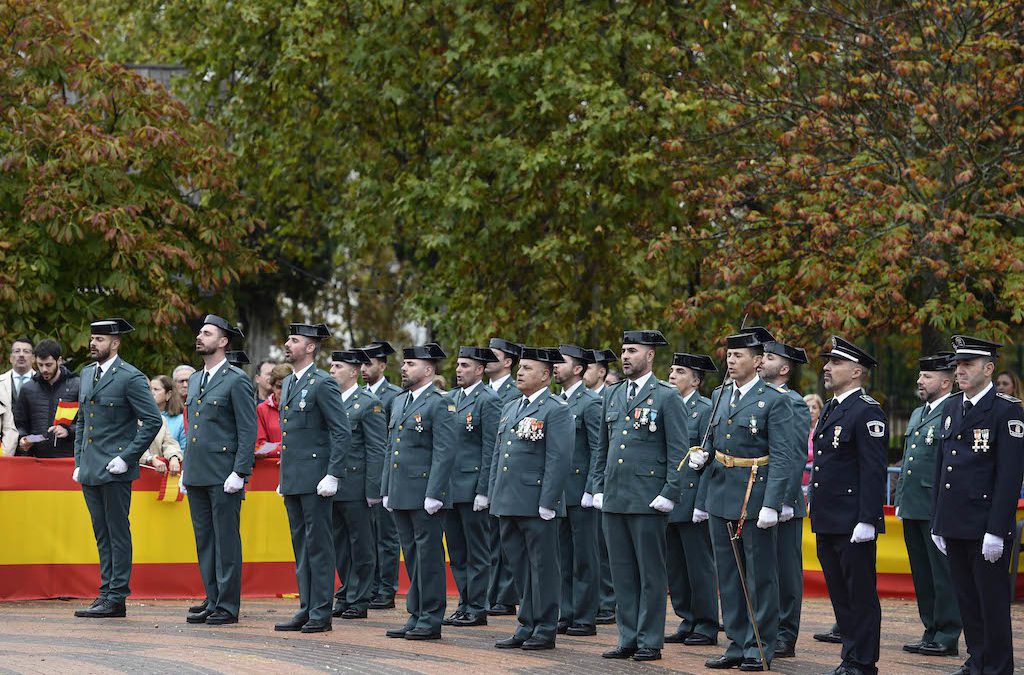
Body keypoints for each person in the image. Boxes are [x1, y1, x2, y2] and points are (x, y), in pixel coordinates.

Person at [688, 328, 798, 671]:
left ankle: (759, 646)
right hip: (721, 492)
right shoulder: (721, 395)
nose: (731, 361)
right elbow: (715, 440)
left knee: (760, 576)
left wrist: (773, 503)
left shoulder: (775, 400)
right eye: (729, 355)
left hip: (754, 493)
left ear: (758, 360)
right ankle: (737, 642)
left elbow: (783, 456)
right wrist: (702, 455)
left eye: (739, 356)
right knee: (729, 575)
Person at [593, 329, 687, 663]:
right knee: (621, 573)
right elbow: (602, 448)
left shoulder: (666, 395)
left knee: (650, 574)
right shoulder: (613, 394)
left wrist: (669, 492)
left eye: (633, 350)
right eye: (624, 350)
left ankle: (649, 639)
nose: (626, 356)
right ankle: (628, 637)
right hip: (615, 497)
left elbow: (680, 450)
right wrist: (597, 486)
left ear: (650, 355)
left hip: (648, 499)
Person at [932, 336, 1024, 675]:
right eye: (958, 365)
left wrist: (997, 529)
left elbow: (1009, 475)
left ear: (988, 368)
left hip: (986, 524)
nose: (960, 371)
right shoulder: (953, 406)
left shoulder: (1006, 410)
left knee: (992, 603)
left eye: (968, 364)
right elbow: (943, 468)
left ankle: (997, 667)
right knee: (967, 601)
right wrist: (938, 521)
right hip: (955, 522)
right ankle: (977, 661)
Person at [72, 318, 162, 618]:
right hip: (90, 468)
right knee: (101, 533)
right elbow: (82, 421)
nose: (93, 343)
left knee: (117, 532)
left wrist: (127, 457)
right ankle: (105, 592)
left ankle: (116, 595)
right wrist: (78, 460)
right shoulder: (86, 374)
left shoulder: (130, 377)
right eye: (92, 338)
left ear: (115, 343)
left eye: (100, 339)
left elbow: (152, 421)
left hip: (115, 468)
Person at [809, 336, 888, 675]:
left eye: (835, 363)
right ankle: (851, 656)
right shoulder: (833, 406)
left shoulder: (866, 409)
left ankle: (863, 661)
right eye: (828, 362)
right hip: (829, 518)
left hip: (852, 520)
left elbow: (873, 469)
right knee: (841, 594)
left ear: (856, 371)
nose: (827, 367)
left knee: (860, 595)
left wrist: (868, 519)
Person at [491, 346, 571, 651]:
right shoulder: (511, 407)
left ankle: (546, 626)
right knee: (520, 567)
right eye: (520, 367)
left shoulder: (556, 409)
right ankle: (526, 624)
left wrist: (548, 502)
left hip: (537, 503)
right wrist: (494, 496)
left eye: (526, 368)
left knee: (543, 568)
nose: (520, 373)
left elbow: (559, 459)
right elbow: (500, 456)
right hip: (509, 501)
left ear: (546, 375)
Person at [274, 323, 352, 634]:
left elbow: (340, 431)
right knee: (301, 546)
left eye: (294, 340)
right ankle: (306, 606)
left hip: (317, 480)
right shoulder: (290, 383)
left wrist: (333, 473)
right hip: (295, 478)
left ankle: (321, 610)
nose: (287, 344)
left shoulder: (323, 383)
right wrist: (285, 475)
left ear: (310, 347)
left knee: (319, 546)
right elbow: (291, 436)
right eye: (288, 339)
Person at [181, 315, 257, 626]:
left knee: (226, 541)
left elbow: (247, 429)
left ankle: (227, 604)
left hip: (224, 473)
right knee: (205, 541)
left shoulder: (236, 380)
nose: (200, 337)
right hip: (198, 472)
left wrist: (239, 472)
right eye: (200, 332)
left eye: (207, 333)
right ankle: (212, 598)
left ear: (223, 342)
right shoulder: (197, 379)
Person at [381, 343, 455, 640]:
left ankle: (431, 617)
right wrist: (386, 487)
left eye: (410, 363)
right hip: (401, 490)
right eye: (404, 363)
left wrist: (435, 492)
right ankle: (416, 612)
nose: (404, 368)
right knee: (411, 555)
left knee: (429, 556)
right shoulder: (400, 402)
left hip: (425, 492)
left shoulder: (439, 402)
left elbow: (445, 451)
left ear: (428, 369)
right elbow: (391, 449)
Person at [894, 353, 962, 658]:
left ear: (946, 382)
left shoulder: (954, 410)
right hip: (913, 504)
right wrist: (900, 499)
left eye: (927, 377)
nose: (920, 381)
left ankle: (947, 634)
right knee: (922, 573)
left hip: (936, 505)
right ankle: (930, 629)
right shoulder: (919, 413)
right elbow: (912, 458)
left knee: (942, 574)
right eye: (920, 376)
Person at [759, 339, 812, 659]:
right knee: (764, 569)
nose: (762, 361)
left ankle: (785, 634)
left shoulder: (791, 402)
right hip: (759, 497)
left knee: (785, 571)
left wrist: (786, 501)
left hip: (782, 503)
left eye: (769, 357)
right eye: (761, 356)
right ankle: (765, 627)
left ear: (785, 368)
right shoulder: (758, 400)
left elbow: (792, 455)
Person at [441, 346, 501, 628]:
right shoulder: (451, 398)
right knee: (457, 552)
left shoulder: (488, 400)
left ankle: (477, 606)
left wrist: (484, 489)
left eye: (465, 365)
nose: (458, 370)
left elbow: (491, 447)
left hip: (473, 484)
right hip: (452, 487)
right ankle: (464, 602)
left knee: (478, 551)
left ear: (479, 369)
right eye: (457, 365)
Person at [664, 352, 719, 648]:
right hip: (668, 498)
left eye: (680, 371)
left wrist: (702, 503)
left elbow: (709, 459)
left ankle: (707, 623)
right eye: (672, 370)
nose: (672, 375)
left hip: (692, 498)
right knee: (676, 566)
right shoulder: (667, 406)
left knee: (699, 565)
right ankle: (687, 619)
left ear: (696, 381)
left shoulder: (705, 410)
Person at [328, 350, 386, 620]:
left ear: (353, 372)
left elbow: (377, 449)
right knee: (340, 543)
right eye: (332, 366)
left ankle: (360, 597)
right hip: (333, 484)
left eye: (338, 366)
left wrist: (373, 489)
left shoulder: (367, 403)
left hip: (357, 483)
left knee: (361, 543)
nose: (331, 370)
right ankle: (346, 590)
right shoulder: (330, 400)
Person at [552, 344, 602, 637]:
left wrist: (592, 488)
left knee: (585, 558)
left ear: (579, 369)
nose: (556, 366)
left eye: (562, 362)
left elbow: (597, 449)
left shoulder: (590, 403)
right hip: (560, 493)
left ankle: (584, 616)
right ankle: (567, 611)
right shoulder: (558, 402)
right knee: (564, 557)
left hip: (580, 491)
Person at [358, 340, 403, 611]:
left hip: (385, 474)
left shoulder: (393, 395)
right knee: (366, 535)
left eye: (369, 363)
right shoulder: (358, 395)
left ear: (383, 366)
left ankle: (387, 588)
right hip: (361, 475)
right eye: (361, 364)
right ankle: (371, 586)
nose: (363, 369)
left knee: (386, 535)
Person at [484, 337, 523, 616]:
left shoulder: (515, 391)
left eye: (493, 355)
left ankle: (506, 596)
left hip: (513, 477)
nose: (485, 359)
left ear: (508, 362)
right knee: (490, 541)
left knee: (506, 541)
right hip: (492, 472)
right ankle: (493, 593)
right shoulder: (483, 391)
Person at [587, 346, 619, 625]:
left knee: (605, 548)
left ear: (601, 372)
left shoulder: (601, 400)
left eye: (589, 367)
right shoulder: (605, 398)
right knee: (592, 547)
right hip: (594, 485)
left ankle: (608, 601)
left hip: (607, 485)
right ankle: (596, 599)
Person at [15, 339, 81, 458]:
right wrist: (23, 438)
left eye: (48, 364)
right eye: (40, 365)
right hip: (38, 459)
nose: (44, 369)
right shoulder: (28, 389)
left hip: (69, 458)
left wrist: (68, 431)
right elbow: (20, 424)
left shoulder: (77, 385)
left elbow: (89, 422)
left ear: (59, 361)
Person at [1, 339, 34, 454]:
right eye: (17, 351)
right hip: (5, 445)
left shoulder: (42, 383)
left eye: (26, 351)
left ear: (33, 358)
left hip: (34, 446)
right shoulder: (0, 383)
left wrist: (33, 439)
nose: (21, 355)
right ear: (10, 358)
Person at [255, 363, 292, 459]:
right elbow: (259, 446)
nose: (283, 391)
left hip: (295, 465)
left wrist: (275, 448)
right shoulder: (262, 409)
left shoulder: (300, 408)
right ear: (272, 386)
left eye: (288, 386)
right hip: (270, 466)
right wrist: (284, 450)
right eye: (279, 386)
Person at [150, 375, 186, 455]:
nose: (151, 393)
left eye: (156, 389)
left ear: (168, 394)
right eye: (149, 389)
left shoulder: (181, 420)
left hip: (173, 464)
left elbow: (185, 449)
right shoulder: (141, 418)